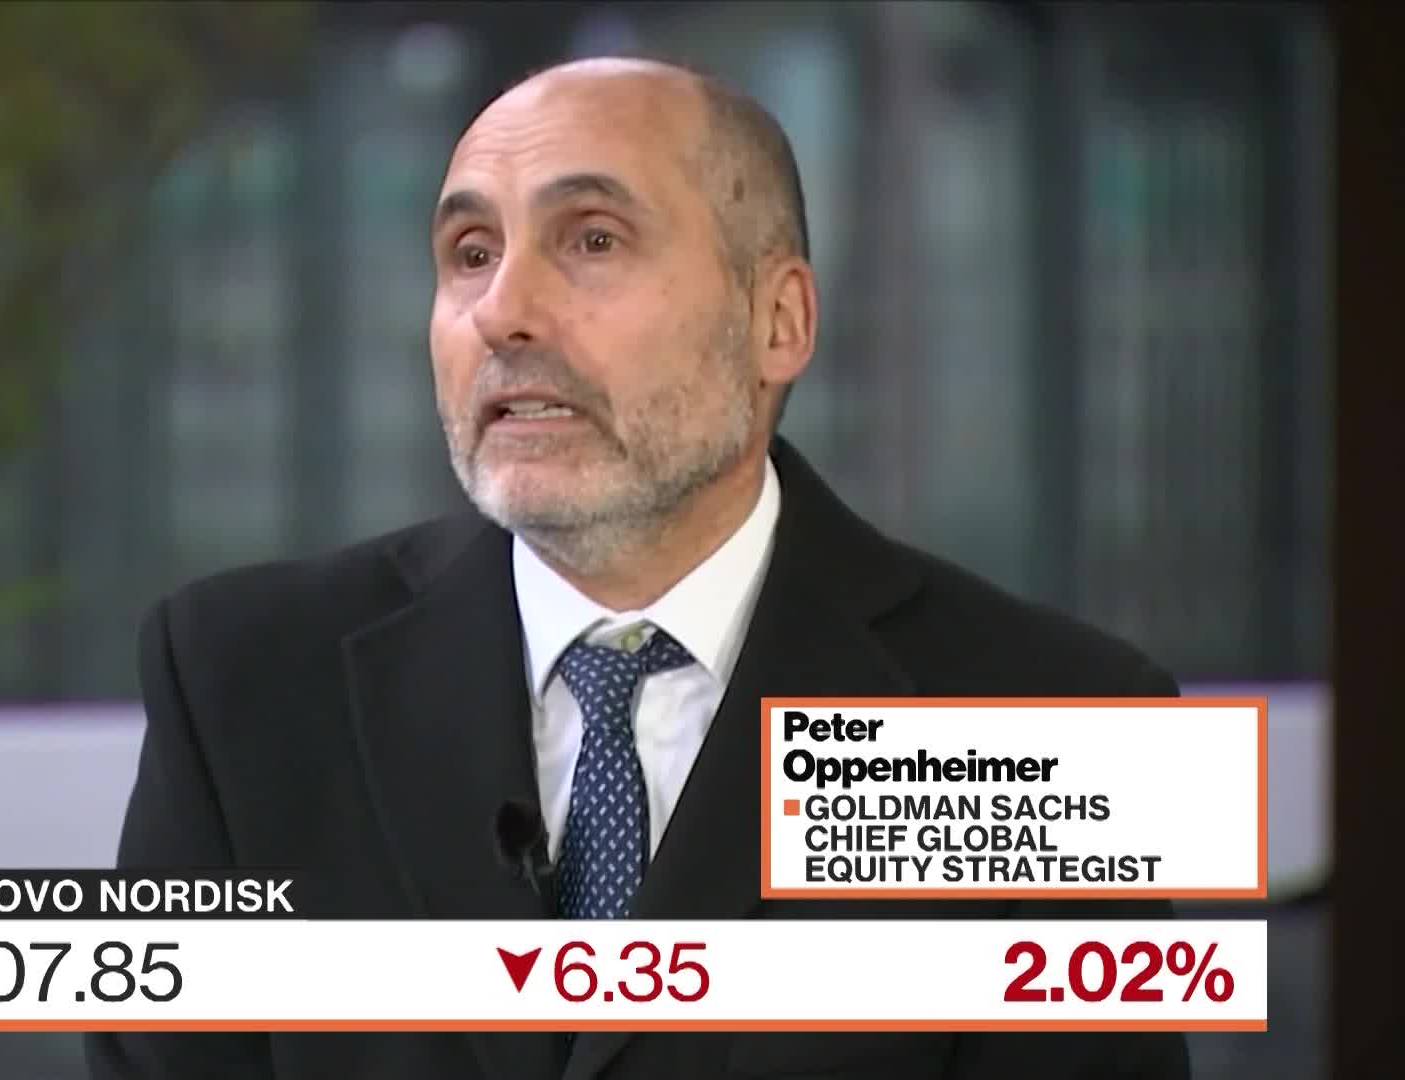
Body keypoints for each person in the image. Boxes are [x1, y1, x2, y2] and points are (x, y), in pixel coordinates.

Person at [88, 57, 1188, 1080]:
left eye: (593, 241)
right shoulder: (240, 687)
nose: (502, 312)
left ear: (777, 320)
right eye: (470, 254)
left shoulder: (1057, 722)